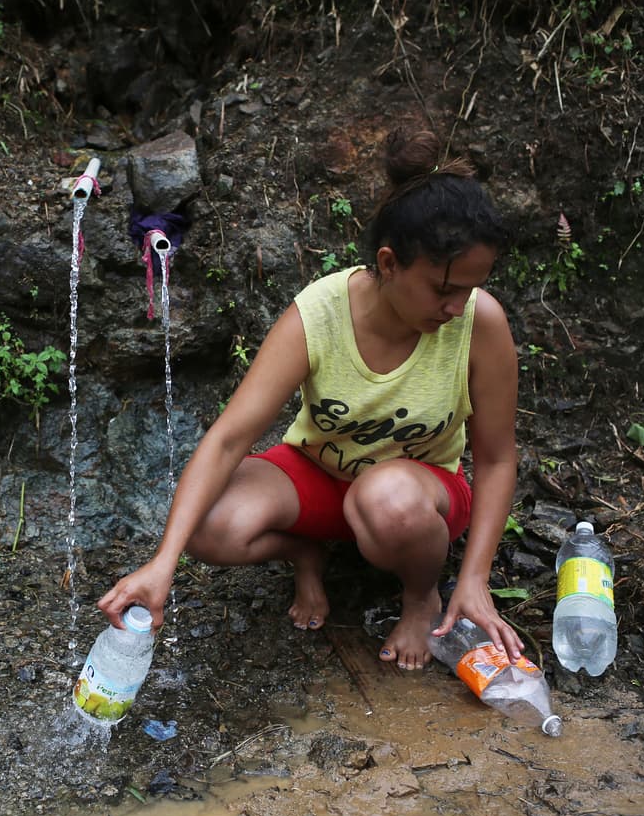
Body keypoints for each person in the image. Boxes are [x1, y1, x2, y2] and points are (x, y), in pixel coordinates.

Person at [97, 128, 523, 670]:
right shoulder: (320, 314)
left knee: (386, 495)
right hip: (321, 477)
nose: (457, 306)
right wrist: (163, 563)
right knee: (208, 525)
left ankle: (421, 596)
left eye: (469, 288)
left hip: (419, 499)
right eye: (443, 290)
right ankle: (307, 552)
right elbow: (230, 436)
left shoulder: (479, 323)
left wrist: (476, 579)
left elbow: (495, 457)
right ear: (389, 264)